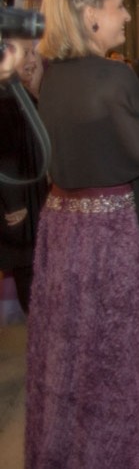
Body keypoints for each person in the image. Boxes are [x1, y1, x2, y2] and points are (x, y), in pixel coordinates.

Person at [28, 0, 139, 465]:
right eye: (118, 6)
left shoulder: (48, 76)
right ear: (89, 15)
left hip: (61, 229)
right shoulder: (116, 76)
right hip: (116, 235)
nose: (126, 15)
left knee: (72, 350)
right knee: (124, 353)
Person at [0, 35, 46, 314]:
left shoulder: (19, 91)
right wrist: (14, 204)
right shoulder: (5, 97)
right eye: (26, 54)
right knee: (26, 266)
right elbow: (4, 157)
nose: (33, 60)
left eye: (34, 53)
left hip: (30, 192)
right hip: (17, 199)